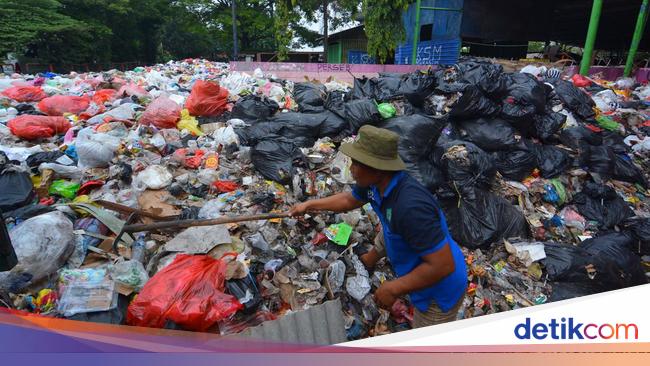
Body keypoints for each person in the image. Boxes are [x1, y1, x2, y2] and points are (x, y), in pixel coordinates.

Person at [290, 125, 467, 328]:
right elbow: (349, 200)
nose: (351, 169)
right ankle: (370, 259)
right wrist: (309, 205)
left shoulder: (410, 208)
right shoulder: (375, 184)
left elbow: (443, 266)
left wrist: (393, 288)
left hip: (439, 290)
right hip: (402, 240)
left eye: (356, 164)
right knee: (387, 234)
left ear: (376, 168)